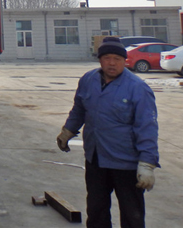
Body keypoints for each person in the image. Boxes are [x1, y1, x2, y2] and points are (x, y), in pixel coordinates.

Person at [56, 36, 159, 228]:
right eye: (107, 58)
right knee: (96, 211)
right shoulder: (88, 80)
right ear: (100, 60)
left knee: (132, 215)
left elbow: (147, 128)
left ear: (124, 60)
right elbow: (79, 108)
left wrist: (147, 164)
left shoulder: (137, 88)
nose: (112, 63)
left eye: (117, 59)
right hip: (96, 159)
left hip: (125, 163)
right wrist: (68, 130)